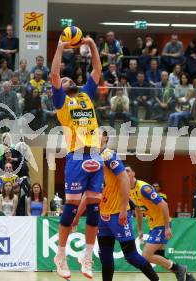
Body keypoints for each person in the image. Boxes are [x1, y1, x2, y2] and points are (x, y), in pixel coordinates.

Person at [72, 133, 161, 281]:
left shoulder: (108, 155)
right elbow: (88, 193)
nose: (93, 136)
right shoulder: (92, 161)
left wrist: (123, 208)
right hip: (103, 216)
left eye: (97, 133)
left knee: (131, 256)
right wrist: (76, 217)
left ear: (105, 138)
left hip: (117, 215)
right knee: (105, 258)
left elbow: (124, 179)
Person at [51, 36, 103, 279]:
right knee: (71, 207)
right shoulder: (62, 101)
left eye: (68, 78)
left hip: (95, 155)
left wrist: (91, 44)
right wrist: (61, 48)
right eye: (63, 79)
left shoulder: (85, 94)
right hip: (76, 157)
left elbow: (97, 69)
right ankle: (60, 255)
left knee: (94, 209)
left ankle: (87, 256)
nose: (67, 80)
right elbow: (53, 76)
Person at [126, 166, 190, 281]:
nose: (125, 173)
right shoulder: (129, 190)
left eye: (128, 171)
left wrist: (166, 227)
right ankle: (188, 277)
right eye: (123, 171)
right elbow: (138, 210)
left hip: (161, 224)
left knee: (146, 255)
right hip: (153, 225)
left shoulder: (144, 188)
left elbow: (164, 205)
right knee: (161, 258)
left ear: (133, 173)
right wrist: (140, 230)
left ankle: (179, 268)